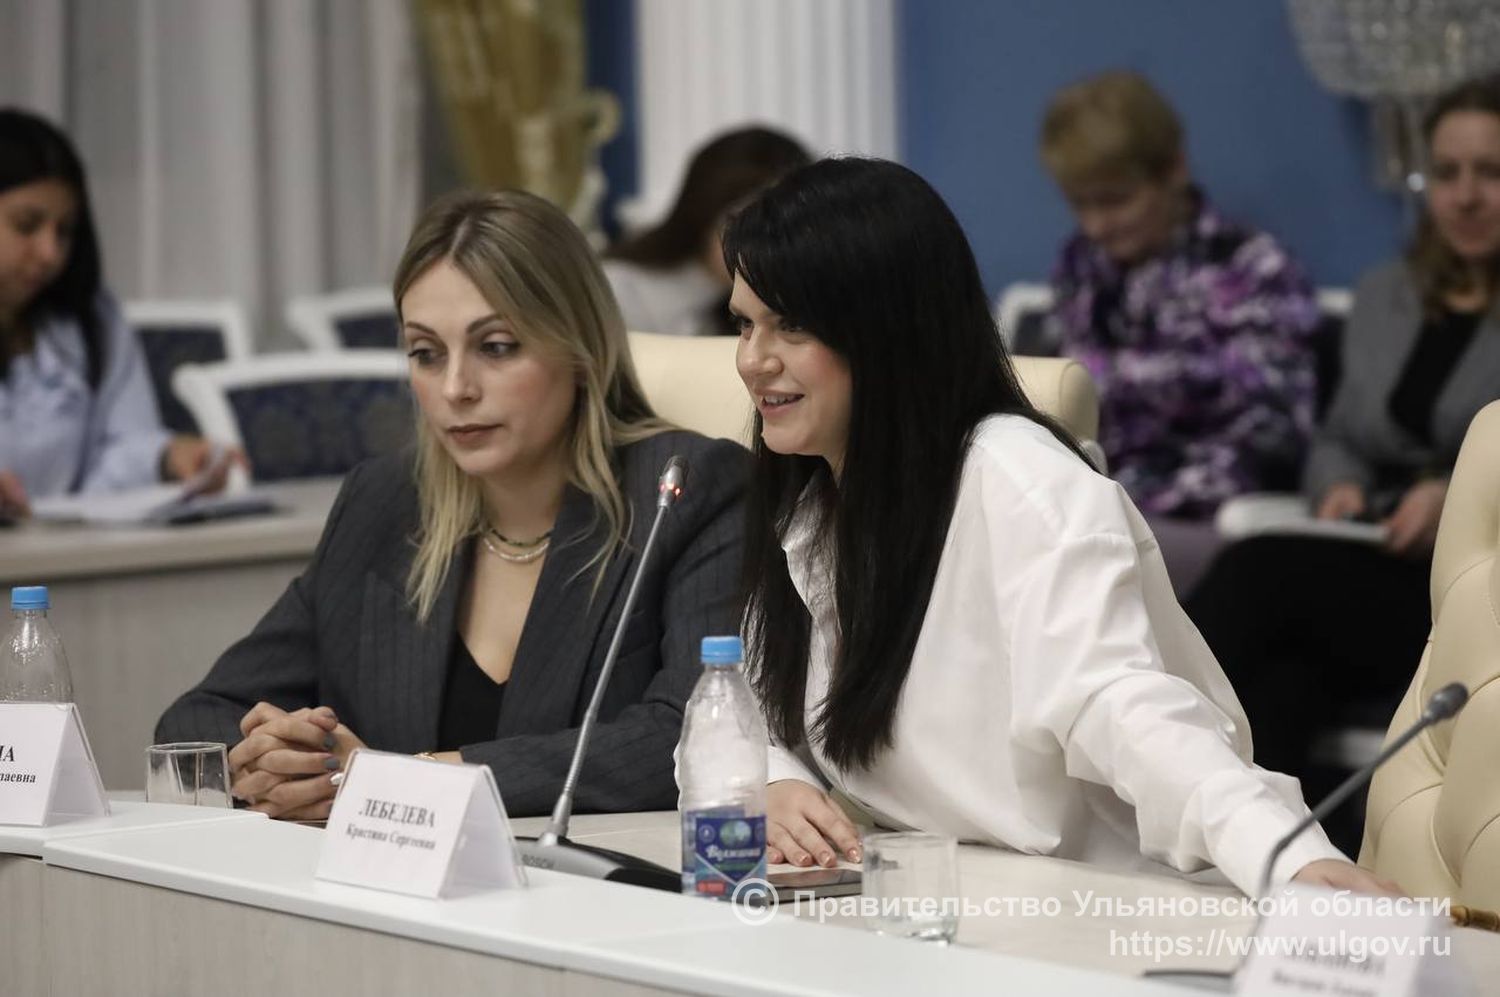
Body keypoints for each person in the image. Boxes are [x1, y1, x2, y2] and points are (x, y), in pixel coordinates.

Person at [716, 156, 1393, 898]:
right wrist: (771, 780)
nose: (753, 360)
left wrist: (1285, 857)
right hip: (932, 898)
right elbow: (734, 701)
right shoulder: (809, 494)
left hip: (1098, 908)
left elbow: (1122, 704)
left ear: (887, 329)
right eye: (744, 324)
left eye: (791, 326)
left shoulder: (1024, 484)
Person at [156, 189, 749, 821]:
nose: (455, 388)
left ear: (581, 350)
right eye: (426, 354)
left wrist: (400, 780)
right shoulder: (384, 501)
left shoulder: (683, 491)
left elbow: (685, 737)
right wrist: (268, 760)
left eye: (496, 347)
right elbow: (197, 717)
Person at [1187, 74, 1500, 786]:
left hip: (1464, 590)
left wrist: (1458, 500)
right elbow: (1339, 436)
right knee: (1284, 685)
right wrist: (1340, 486)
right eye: (1446, 173)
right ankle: (1265, 849)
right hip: (1367, 554)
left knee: (1257, 571)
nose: (1465, 196)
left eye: (1491, 172)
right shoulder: (1388, 293)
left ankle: (1122, 772)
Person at [1039, 72, 1320, 531]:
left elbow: (1274, 437)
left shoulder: (1251, 267)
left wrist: (1121, 502)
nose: (1096, 226)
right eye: (1080, 205)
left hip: (1196, 515)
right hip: (1084, 504)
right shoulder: (1080, 265)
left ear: (1174, 169)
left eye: (1115, 201)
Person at [0, 107, 229, 518]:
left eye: (64, 231)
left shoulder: (92, 319)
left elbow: (120, 448)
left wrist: (166, 457)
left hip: (72, 549)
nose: (50, 252)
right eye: (26, 225)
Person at [603, 126, 810, 336]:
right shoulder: (620, 288)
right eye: (757, 226)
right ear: (705, 212)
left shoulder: (748, 305)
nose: (771, 247)